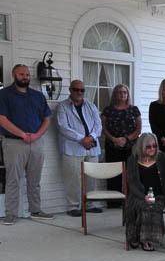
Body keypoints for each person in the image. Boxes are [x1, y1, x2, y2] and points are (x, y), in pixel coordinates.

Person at [0, 64, 54, 225]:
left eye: (27, 75)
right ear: (14, 75)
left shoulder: (38, 96)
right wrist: (22, 134)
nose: (25, 77)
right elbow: (2, 119)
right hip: (13, 143)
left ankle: (35, 210)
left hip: (36, 142)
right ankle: (10, 214)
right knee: (13, 179)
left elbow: (47, 119)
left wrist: (37, 135)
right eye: (21, 74)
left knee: (34, 180)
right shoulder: (4, 94)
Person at [55, 79, 103, 217]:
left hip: (92, 146)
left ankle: (90, 204)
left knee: (91, 177)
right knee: (73, 178)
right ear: (70, 90)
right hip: (72, 148)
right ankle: (73, 206)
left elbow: (98, 125)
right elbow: (63, 126)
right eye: (76, 90)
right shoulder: (62, 106)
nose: (79, 92)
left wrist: (91, 137)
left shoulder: (91, 106)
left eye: (82, 90)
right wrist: (81, 139)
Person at [125, 133, 165, 251]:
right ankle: (136, 236)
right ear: (141, 146)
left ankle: (147, 240)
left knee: (152, 207)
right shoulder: (132, 160)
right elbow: (132, 184)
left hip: (158, 195)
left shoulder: (162, 158)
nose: (152, 149)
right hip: (138, 195)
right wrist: (143, 196)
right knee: (140, 206)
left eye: (154, 146)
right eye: (148, 146)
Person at [101, 83, 141, 202]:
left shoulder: (134, 110)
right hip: (112, 145)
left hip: (130, 146)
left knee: (131, 174)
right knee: (113, 173)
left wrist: (126, 139)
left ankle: (131, 201)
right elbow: (103, 128)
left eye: (125, 92)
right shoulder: (108, 110)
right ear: (115, 94)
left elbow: (138, 129)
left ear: (128, 94)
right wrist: (114, 139)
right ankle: (114, 202)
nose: (122, 94)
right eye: (119, 92)